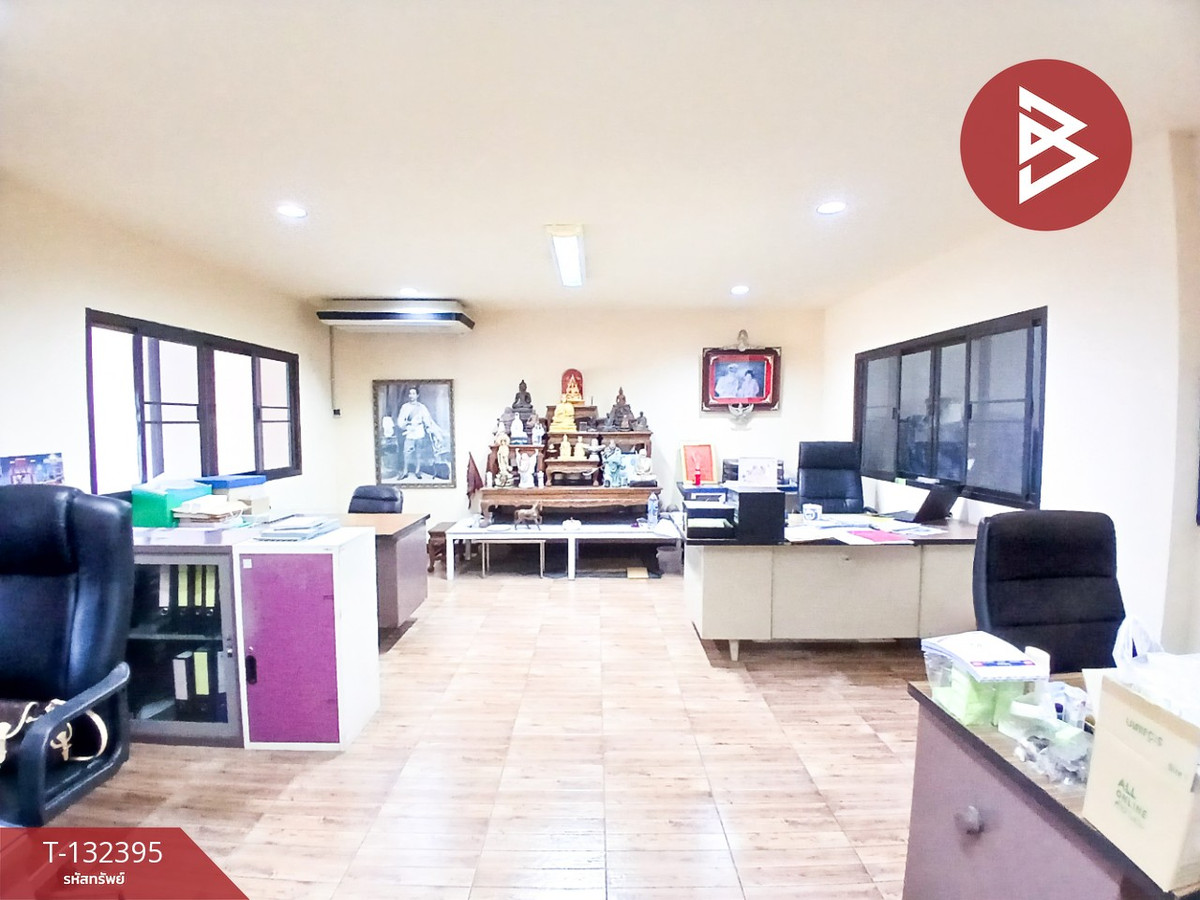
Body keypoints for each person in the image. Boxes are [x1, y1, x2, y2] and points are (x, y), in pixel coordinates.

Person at [397, 386, 440, 479]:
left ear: (417, 395)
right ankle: (405, 471)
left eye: (413, 394)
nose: (411, 396)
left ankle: (417, 471)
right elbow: (400, 420)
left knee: (418, 452)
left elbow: (427, 419)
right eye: (410, 394)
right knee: (406, 452)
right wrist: (405, 424)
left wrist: (429, 427)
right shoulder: (405, 407)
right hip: (410, 430)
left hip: (419, 431)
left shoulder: (421, 407)